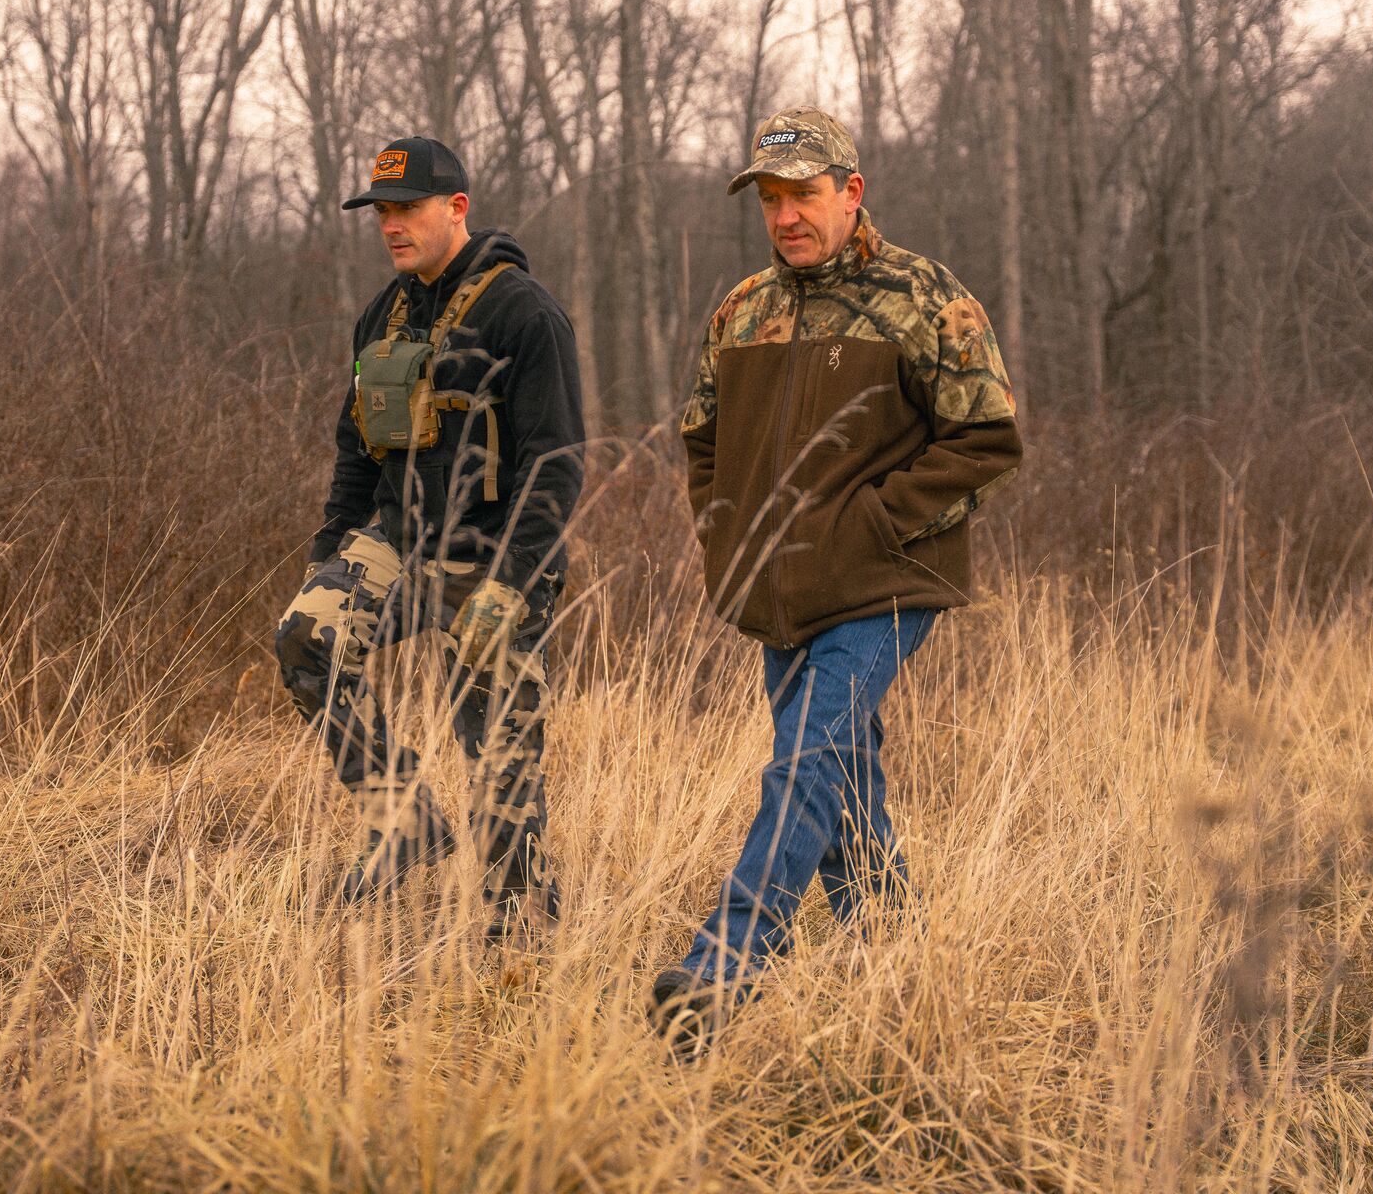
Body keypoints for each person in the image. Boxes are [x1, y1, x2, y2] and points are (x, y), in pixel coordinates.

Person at [650, 106, 1022, 1051]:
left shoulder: (924, 296)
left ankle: (723, 969)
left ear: (852, 193)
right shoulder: (743, 311)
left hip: (883, 585)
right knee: (844, 779)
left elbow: (987, 439)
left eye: (805, 195)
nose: (786, 216)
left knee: (806, 761)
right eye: (771, 199)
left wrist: (875, 525)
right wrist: (724, 531)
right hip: (774, 593)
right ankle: (894, 961)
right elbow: (701, 439)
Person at [275, 136, 585, 942]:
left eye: (407, 209)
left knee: (495, 745)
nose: (391, 226)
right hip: (399, 542)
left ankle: (521, 912)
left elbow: (556, 465)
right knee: (308, 640)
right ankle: (405, 821)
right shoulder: (384, 313)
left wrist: (512, 582)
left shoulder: (524, 311)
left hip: (496, 555)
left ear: (457, 208)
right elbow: (355, 448)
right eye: (381, 212)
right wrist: (328, 554)